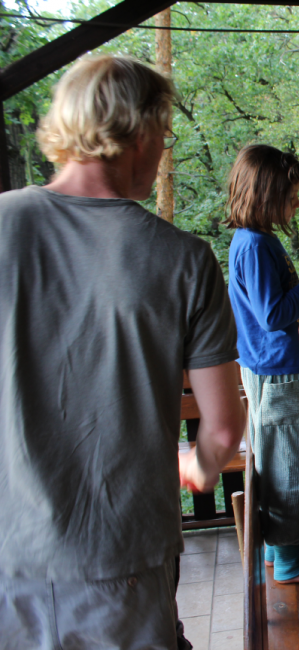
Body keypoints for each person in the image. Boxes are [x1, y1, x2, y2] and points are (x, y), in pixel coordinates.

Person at [0, 55, 244, 648]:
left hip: (10, 556)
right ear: (138, 133)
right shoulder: (183, 259)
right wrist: (199, 466)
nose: (163, 151)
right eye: (164, 135)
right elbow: (221, 428)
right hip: (124, 556)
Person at [225, 145, 299, 584]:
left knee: (278, 458)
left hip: (274, 368)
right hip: (277, 371)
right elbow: (274, 314)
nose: (298, 203)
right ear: (267, 194)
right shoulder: (253, 244)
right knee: (287, 466)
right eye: (292, 195)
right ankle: (286, 556)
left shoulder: (258, 240)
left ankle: (277, 548)